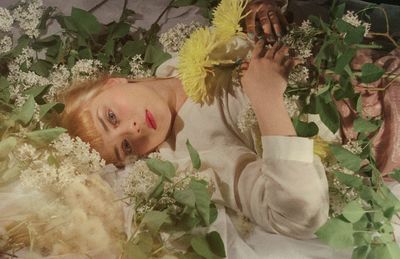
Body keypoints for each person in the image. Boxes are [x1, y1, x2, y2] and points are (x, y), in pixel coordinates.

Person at [60, 0, 332, 258]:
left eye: (111, 116)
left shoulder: (174, 65)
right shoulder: (192, 158)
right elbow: (297, 215)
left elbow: (240, 28)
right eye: (126, 147)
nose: (133, 129)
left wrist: (256, 12)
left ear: (114, 83)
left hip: (333, 36)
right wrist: (267, 100)